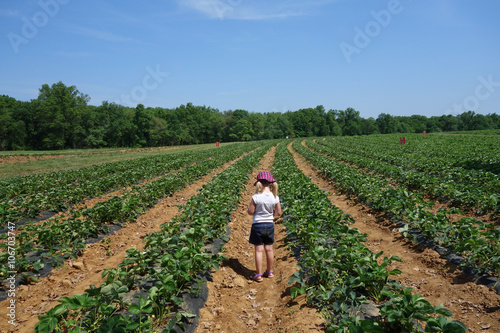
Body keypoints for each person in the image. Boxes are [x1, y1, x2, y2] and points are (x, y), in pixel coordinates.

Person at [247, 171, 282, 282]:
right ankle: (269, 272)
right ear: (271, 183)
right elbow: (278, 213)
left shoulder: (256, 196)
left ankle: (258, 274)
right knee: (269, 249)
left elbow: (250, 212)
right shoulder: (274, 196)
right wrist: (270, 214)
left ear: (259, 183)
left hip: (258, 225)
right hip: (270, 225)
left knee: (259, 250)